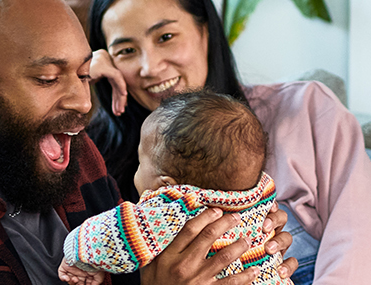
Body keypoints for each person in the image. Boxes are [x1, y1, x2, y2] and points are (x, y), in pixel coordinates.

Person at [0, 0, 297, 284]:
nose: (82, 103)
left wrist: (226, 244)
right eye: (47, 77)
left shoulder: (74, 155)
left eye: (85, 74)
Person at [81, 0, 371, 284]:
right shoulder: (95, 157)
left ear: (206, 32)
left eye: (165, 37)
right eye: (126, 51)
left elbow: (364, 236)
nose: (150, 66)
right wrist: (78, 82)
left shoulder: (304, 107)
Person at [59, 92, 289, 285]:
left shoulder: (176, 206)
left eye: (140, 162)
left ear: (167, 185)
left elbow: (112, 236)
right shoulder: (262, 192)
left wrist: (77, 253)